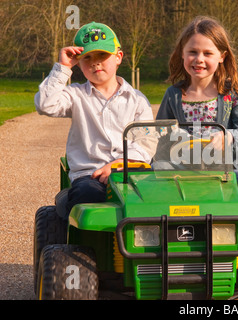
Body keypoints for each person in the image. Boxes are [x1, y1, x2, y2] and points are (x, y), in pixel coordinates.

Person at [35, 21, 153, 218]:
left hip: (130, 170)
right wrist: (63, 67)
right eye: (87, 57)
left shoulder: (137, 100)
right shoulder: (75, 95)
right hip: (90, 175)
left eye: (102, 55)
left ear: (118, 57)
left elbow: (146, 142)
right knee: (87, 194)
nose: (95, 62)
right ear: (78, 63)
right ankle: (85, 246)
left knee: (156, 194)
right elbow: (45, 104)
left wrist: (117, 165)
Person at [156, 16, 238, 200]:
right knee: (151, 181)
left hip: (226, 174)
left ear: (222, 56)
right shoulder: (173, 95)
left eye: (207, 53)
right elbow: (159, 137)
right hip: (183, 173)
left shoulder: (234, 94)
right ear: (182, 53)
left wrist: (228, 138)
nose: (199, 59)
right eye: (192, 52)